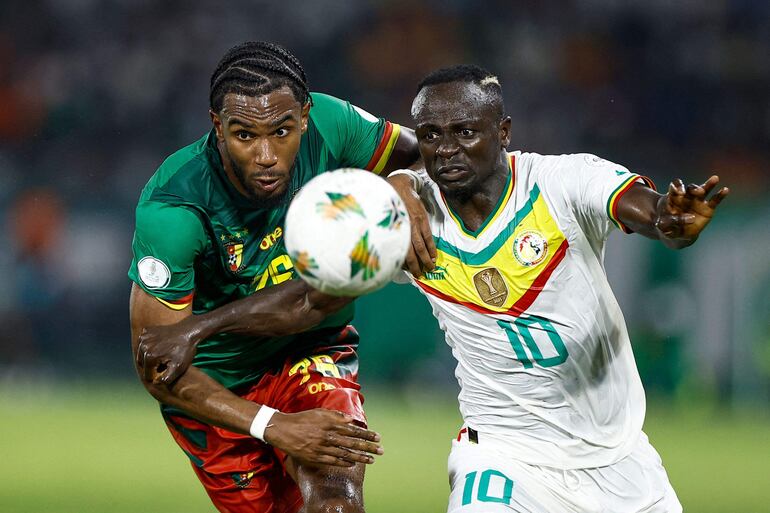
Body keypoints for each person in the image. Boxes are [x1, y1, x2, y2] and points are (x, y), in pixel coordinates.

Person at [398, 65, 728, 512]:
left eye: (466, 132)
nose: (448, 150)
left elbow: (650, 214)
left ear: (504, 132)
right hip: (503, 454)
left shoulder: (562, 184)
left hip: (619, 460)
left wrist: (669, 221)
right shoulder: (406, 214)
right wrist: (393, 183)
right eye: (431, 136)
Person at [128, 41, 434, 513]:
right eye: (245, 136)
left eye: (282, 131)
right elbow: (159, 369)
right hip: (217, 387)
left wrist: (405, 182)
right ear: (217, 126)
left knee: (336, 503)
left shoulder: (335, 125)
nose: (267, 156)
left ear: (306, 117)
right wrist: (272, 424)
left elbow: (429, 156)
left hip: (311, 351)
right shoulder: (174, 210)